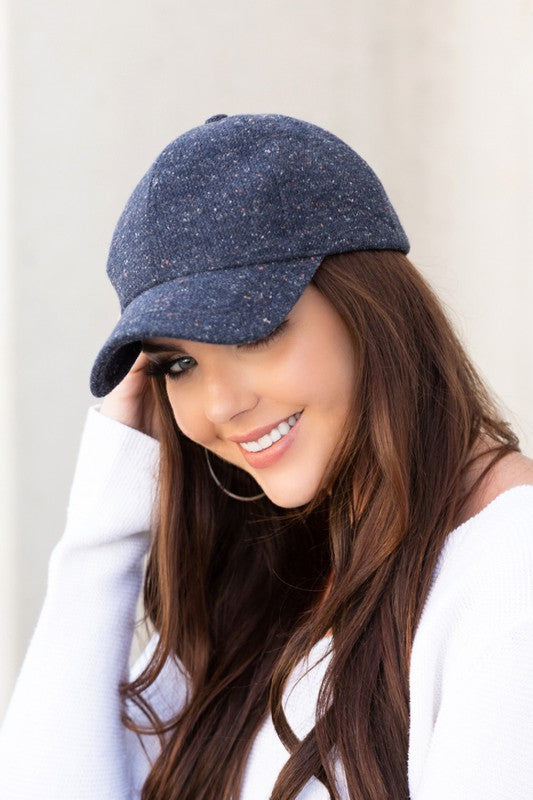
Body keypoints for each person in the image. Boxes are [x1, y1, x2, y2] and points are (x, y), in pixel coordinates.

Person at [0, 112, 532, 800]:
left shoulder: (508, 571)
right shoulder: (262, 590)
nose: (218, 406)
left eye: (252, 332)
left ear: (368, 308)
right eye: (179, 363)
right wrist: (100, 534)